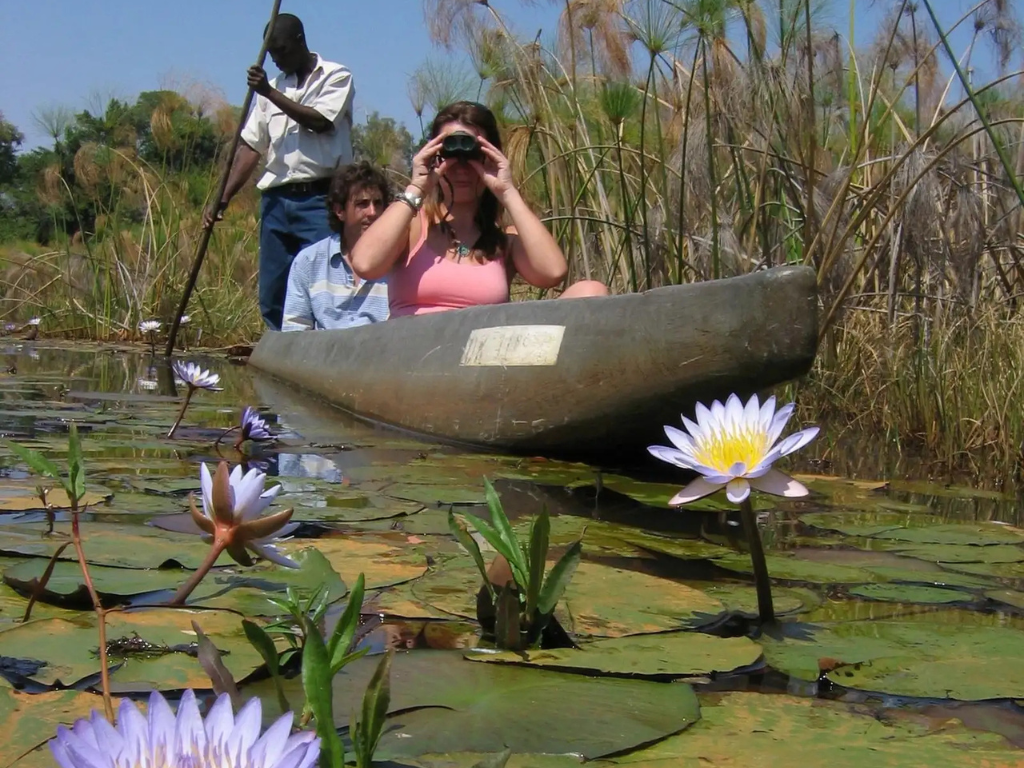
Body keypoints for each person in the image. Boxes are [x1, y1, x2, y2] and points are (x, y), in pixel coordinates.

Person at [349, 101, 607, 316]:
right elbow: (365, 263)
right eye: (450, 153)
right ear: (434, 154)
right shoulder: (414, 226)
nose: (461, 166)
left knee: (591, 291)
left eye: (473, 154)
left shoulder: (504, 242)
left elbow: (553, 272)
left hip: (483, 364)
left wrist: (507, 191)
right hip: (418, 360)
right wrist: (417, 187)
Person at [203, 13, 355, 330]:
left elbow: (320, 121)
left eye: (282, 51)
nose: (276, 60)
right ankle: (278, 345)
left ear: (300, 41)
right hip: (276, 202)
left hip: (319, 198)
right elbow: (251, 147)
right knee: (273, 293)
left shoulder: (336, 77)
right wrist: (223, 196)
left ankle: (323, 352)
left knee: (322, 285)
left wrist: (269, 93)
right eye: (271, 55)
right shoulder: (271, 89)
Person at [282, 162, 390, 331]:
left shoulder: (399, 262)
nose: (373, 212)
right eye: (362, 204)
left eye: (378, 203)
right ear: (340, 211)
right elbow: (294, 331)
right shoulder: (308, 262)